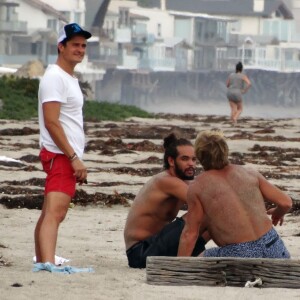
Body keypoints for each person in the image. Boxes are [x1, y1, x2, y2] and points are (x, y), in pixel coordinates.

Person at [178, 130, 292, 259]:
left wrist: (180, 267)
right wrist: (278, 212)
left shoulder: (197, 187)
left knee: (199, 261)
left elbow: (190, 234)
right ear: (225, 151)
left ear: (199, 155)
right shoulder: (249, 173)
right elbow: (286, 202)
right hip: (272, 244)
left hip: (239, 252)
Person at [34, 23, 91, 265]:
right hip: (60, 155)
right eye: (75, 45)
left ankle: (42, 258)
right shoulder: (55, 77)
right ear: (61, 46)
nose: (80, 49)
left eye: (83, 46)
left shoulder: (67, 77)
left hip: (63, 155)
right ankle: (47, 263)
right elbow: (52, 122)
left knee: (50, 211)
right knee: (56, 212)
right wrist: (72, 157)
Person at [124, 133, 208, 268]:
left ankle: (202, 256)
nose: (191, 164)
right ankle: (182, 265)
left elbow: (204, 191)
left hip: (155, 245)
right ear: (171, 161)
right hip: (140, 252)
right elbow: (205, 203)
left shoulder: (181, 180)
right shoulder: (166, 181)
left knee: (210, 219)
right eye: (185, 159)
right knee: (205, 214)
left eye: (194, 159)